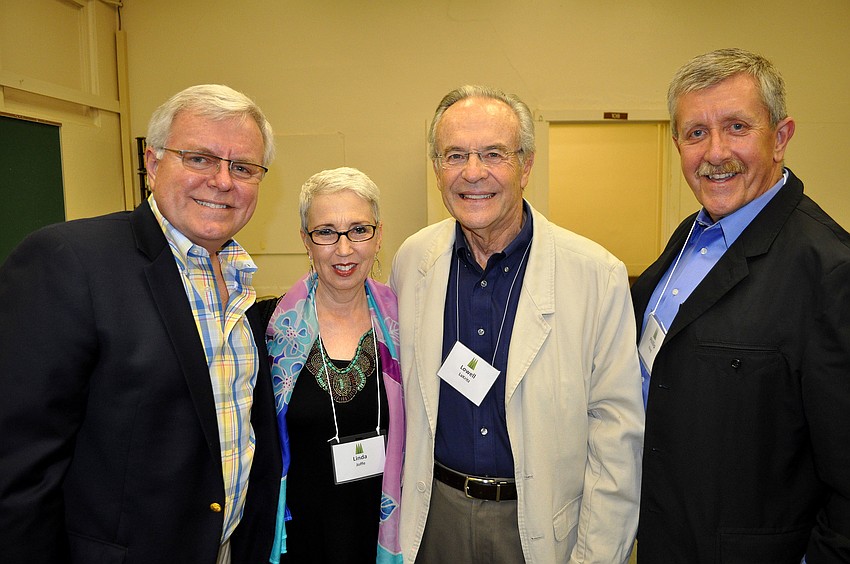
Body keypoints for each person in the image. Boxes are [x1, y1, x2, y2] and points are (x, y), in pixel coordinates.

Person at [0, 84, 281, 564]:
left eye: (243, 167)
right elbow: (18, 469)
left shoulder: (241, 283)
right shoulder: (70, 262)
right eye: (199, 158)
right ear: (152, 165)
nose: (222, 181)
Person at [390, 85, 644, 563]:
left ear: (526, 165)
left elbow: (617, 439)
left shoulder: (596, 275)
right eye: (455, 155)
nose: (472, 172)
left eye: (493, 154)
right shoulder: (413, 260)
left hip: (537, 526)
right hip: (433, 518)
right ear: (436, 169)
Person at [632, 48, 850, 563]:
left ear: (781, 137)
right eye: (696, 133)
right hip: (664, 538)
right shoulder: (690, 237)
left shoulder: (829, 272)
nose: (715, 152)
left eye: (736, 127)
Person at [263, 167, 404, 563]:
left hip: (386, 534)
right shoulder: (269, 331)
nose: (344, 249)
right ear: (305, 241)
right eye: (326, 232)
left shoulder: (408, 326)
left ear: (379, 236)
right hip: (302, 538)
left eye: (359, 230)